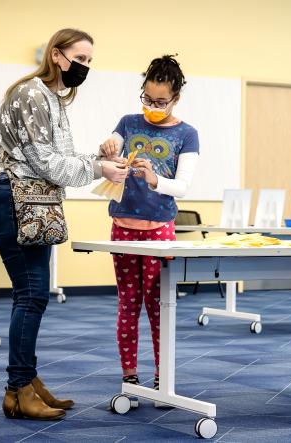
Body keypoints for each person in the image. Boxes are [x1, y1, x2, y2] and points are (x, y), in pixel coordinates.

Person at [0, 28, 128, 420]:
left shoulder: (53, 100)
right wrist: (99, 167)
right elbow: (47, 164)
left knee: (30, 296)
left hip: (31, 201)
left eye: (90, 62)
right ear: (57, 55)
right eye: (80, 59)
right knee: (32, 296)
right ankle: (19, 386)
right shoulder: (32, 93)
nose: (85, 67)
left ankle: (25, 383)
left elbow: (54, 160)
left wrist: (99, 157)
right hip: (14, 198)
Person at [99, 54, 199, 406]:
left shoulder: (187, 134)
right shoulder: (127, 123)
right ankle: (130, 377)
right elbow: (108, 152)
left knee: (159, 305)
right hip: (123, 227)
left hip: (160, 229)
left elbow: (183, 187)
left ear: (176, 99)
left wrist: (157, 179)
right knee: (128, 303)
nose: (152, 107)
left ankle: (162, 378)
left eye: (161, 102)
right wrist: (108, 148)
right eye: (147, 99)